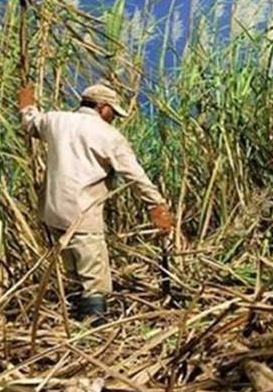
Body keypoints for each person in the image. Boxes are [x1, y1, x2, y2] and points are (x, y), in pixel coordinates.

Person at [18, 81, 174, 320]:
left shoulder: (55, 120)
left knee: (72, 271)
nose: (114, 118)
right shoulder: (109, 135)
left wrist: (27, 105)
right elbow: (135, 175)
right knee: (94, 279)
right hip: (83, 215)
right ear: (102, 108)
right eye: (113, 112)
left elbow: (30, 123)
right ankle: (93, 330)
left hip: (52, 212)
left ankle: (73, 321)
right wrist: (156, 204)